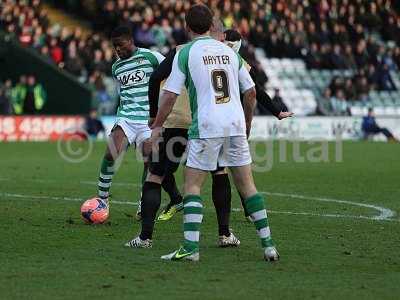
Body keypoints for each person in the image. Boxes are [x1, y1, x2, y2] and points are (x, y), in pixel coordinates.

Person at [152, 4, 279, 262]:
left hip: (207, 126)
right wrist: (246, 125)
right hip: (234, 126)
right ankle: (268, 245)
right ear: (212, 25)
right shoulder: (230, 52)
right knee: (248, 186)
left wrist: (156, 125)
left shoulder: (185, 53)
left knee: (192, 185)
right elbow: (252, 93)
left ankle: (190, 248)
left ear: (187, 27)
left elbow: (169, 95)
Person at [125, 18, 242, 249]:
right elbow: (250, 87)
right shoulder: (224, 52)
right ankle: (225, 234)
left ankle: (145, 238)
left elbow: (156, 77)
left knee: (155, 175)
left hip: (176, 121)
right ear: (214, 30)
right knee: (220, 173)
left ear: (188, 28)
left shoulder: (181, 51)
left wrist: (153, 114)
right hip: (207, 124)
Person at [93, 25, 165, 208]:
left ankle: (144, 201)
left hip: (148, 119)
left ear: (131, 41)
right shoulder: (116, 67)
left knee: (149, 159)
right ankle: (102, 199)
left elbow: (170, 72)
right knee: (111, 151)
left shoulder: (151, 57)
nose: (117, 49)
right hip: (126, 117)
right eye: (114, 46)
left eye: (120, 44)